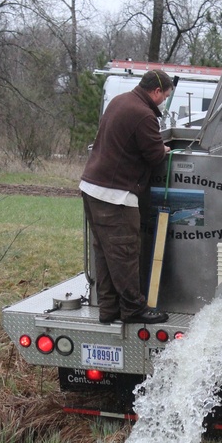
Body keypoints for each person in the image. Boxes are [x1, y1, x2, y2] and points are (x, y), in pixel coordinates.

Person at [80, 70, 173, 325]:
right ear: (155, 91)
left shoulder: (120, 100)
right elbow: (154, 157)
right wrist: (163, 149)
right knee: (125, 253)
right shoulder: (144, 114)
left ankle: (108, 309)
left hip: (91, 188)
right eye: (165, 95)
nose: (164, 100)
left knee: (106, 254)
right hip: (115, 196)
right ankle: (133, 310)